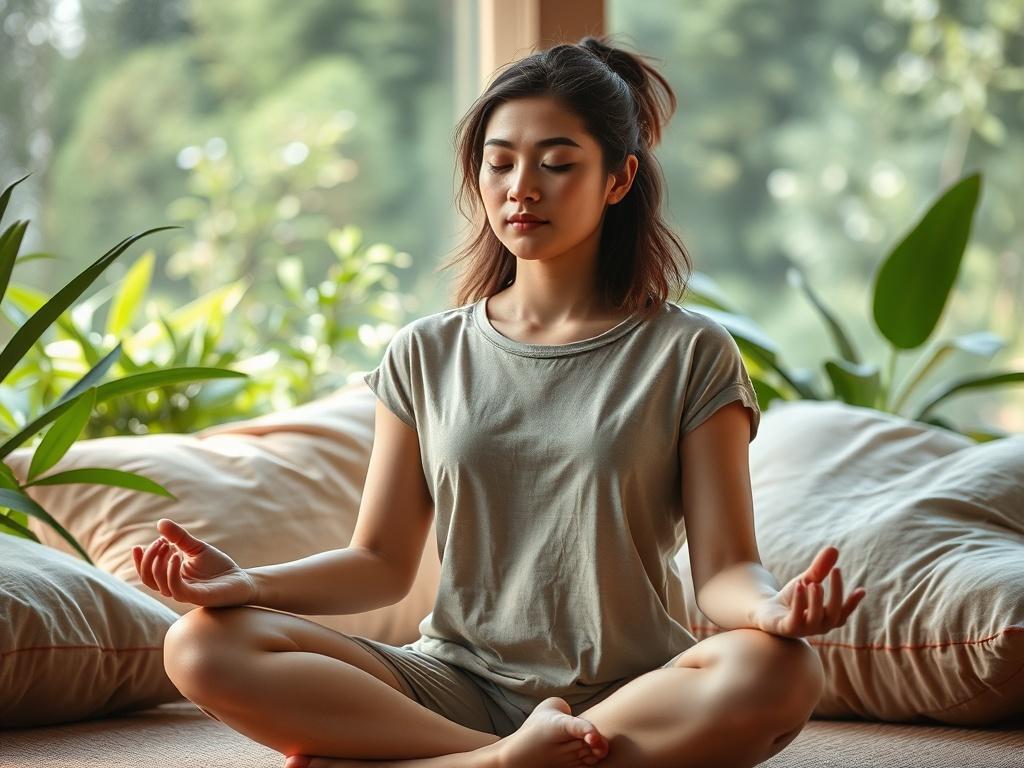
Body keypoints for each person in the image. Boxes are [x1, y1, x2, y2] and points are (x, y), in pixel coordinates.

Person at [137, 35, 867, 768]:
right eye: (500, 161)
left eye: (557, 164)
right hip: (455, 682)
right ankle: (499, 760)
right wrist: (245, 584)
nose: (522, 187)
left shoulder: (689, 353)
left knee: (780, 669)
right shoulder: (425, 352)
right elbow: (379, 562)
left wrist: (773, 610)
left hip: (634, 691)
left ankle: (445, 762)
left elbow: (723, 570)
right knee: (199, 643)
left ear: (619, 180)